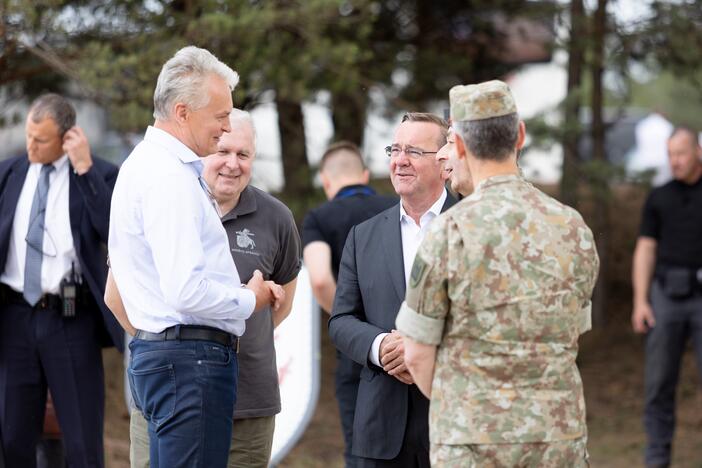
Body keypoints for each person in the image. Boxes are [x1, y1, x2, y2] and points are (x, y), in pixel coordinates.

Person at [395, 80, 600, 467]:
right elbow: (572, 332)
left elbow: (418, 354)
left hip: (472, 446)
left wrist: (465, 415)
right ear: (519, 135)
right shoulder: (573, 227)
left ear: (457, 145)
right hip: (558, 442)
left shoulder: (448, 231)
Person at [108, 46, 283, 468]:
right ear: (183, 112)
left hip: (169, 359)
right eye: (221, 116)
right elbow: (187, 292)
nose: (226, 128)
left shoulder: (144, 167)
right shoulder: (169, 178)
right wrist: (250, 298)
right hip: (189, 364)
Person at [126, 110, 302, 468]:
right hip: (167, 392)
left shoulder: (277, 218)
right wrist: (177, 342)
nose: (232, 164)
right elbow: (120, 297)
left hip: (249, 401)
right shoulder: (167, 201)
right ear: (203, 150)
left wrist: (231, 332)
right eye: (223, 152)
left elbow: (279, 306)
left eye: (244, 155)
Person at [0, 93, 123, 467]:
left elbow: (114, 233)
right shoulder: (8, 173)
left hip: (70, 318)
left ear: (68, 137)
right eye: (29, 136)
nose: (31, 146)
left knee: (83, 442)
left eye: (41, 140)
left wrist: (84, 169)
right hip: (14, 317)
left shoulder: (99, 174)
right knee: (11, 438)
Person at [328, 112, 455, 467]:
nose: (399, 161)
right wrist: (381, 347)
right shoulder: (363, 235)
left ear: (444, 160)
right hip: (381, 428)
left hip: (453, 422)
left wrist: (421, 346)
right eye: (394, 149)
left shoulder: (470, 223)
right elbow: (340, 321)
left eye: (414, 151)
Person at [301, 141, 396, 467]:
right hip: (405, 347)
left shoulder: (319, 218)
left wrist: (349, 321)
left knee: (361, 450)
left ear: (326, 181)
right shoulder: (397, 208)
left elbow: (320, 279)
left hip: (357, 353)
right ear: (366, 175)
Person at [631, 126, 702, 468]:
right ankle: (657, 458)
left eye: (682, 153)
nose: (675, 161)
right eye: (670, 154)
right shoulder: (659, 197)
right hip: (666, 298)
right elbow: (645, 249)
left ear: (697, 152)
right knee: (659, 383)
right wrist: (641, 301)